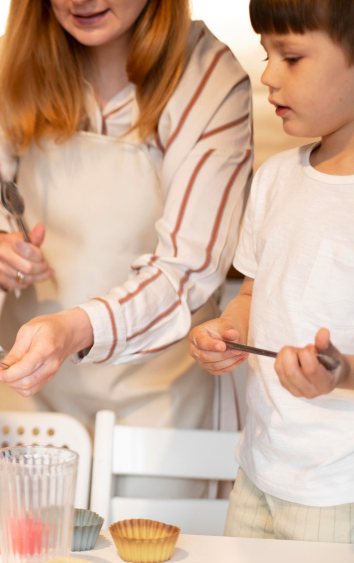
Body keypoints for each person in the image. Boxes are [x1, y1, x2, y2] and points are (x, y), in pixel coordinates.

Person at [0, 0, 254, 497]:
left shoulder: (207, 77)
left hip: (161, 399)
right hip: (26, 389)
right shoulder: (10, 62)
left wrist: (75, 330)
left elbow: (188, 270)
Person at [188, 0, 354, 543]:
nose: (267, 75)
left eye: (292, 57)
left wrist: (340, 374)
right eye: (267, 54)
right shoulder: (275, 179)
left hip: (337, 494)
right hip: (256, 473)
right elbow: (254, 293)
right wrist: (229, 328)